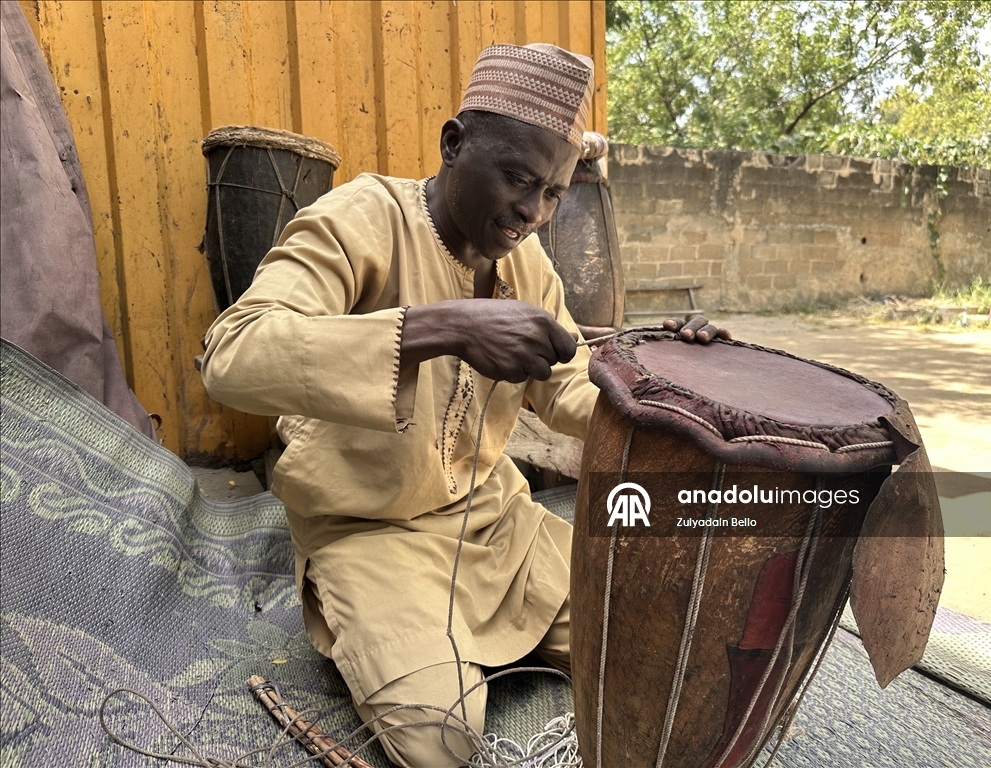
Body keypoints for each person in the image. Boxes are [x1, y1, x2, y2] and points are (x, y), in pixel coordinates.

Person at [202, 43, 725, 768]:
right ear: (454, 143)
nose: (532, 212)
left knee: (672, 652)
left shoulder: (526, 263)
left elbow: (569, 384)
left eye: (552, 193)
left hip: (494, 524)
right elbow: (231, 354)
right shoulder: (361, 217)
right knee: (437, 740)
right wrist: (443, 326)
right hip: (369, 533)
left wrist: (663, 379)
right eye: (516, 178)